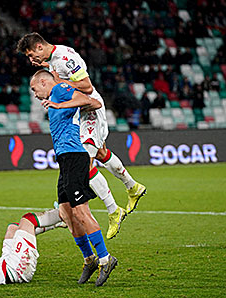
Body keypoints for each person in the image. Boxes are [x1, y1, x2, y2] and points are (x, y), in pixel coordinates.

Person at [17, 32, 147, 240]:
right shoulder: (52, 61)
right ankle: (133, 187)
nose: (31, 60)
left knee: (83, 162)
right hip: (79, 110)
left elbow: (87, 87)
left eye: (32, 55)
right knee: (101, 152)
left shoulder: (65, 59)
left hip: (90, 110)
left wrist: (61, 84)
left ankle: (114, 210)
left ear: (40, 47)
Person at [30, 70, 118, 286]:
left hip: (74, 157)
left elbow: (91, 100)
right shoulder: (55, 96)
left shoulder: (59, 90)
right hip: (65, 159)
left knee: (80, 211)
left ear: (44, 82)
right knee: (67, 213)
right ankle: (90, 259)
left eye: (34, 89)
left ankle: (106, 259)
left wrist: (61, 105)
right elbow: (87, 104)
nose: (34, 94)